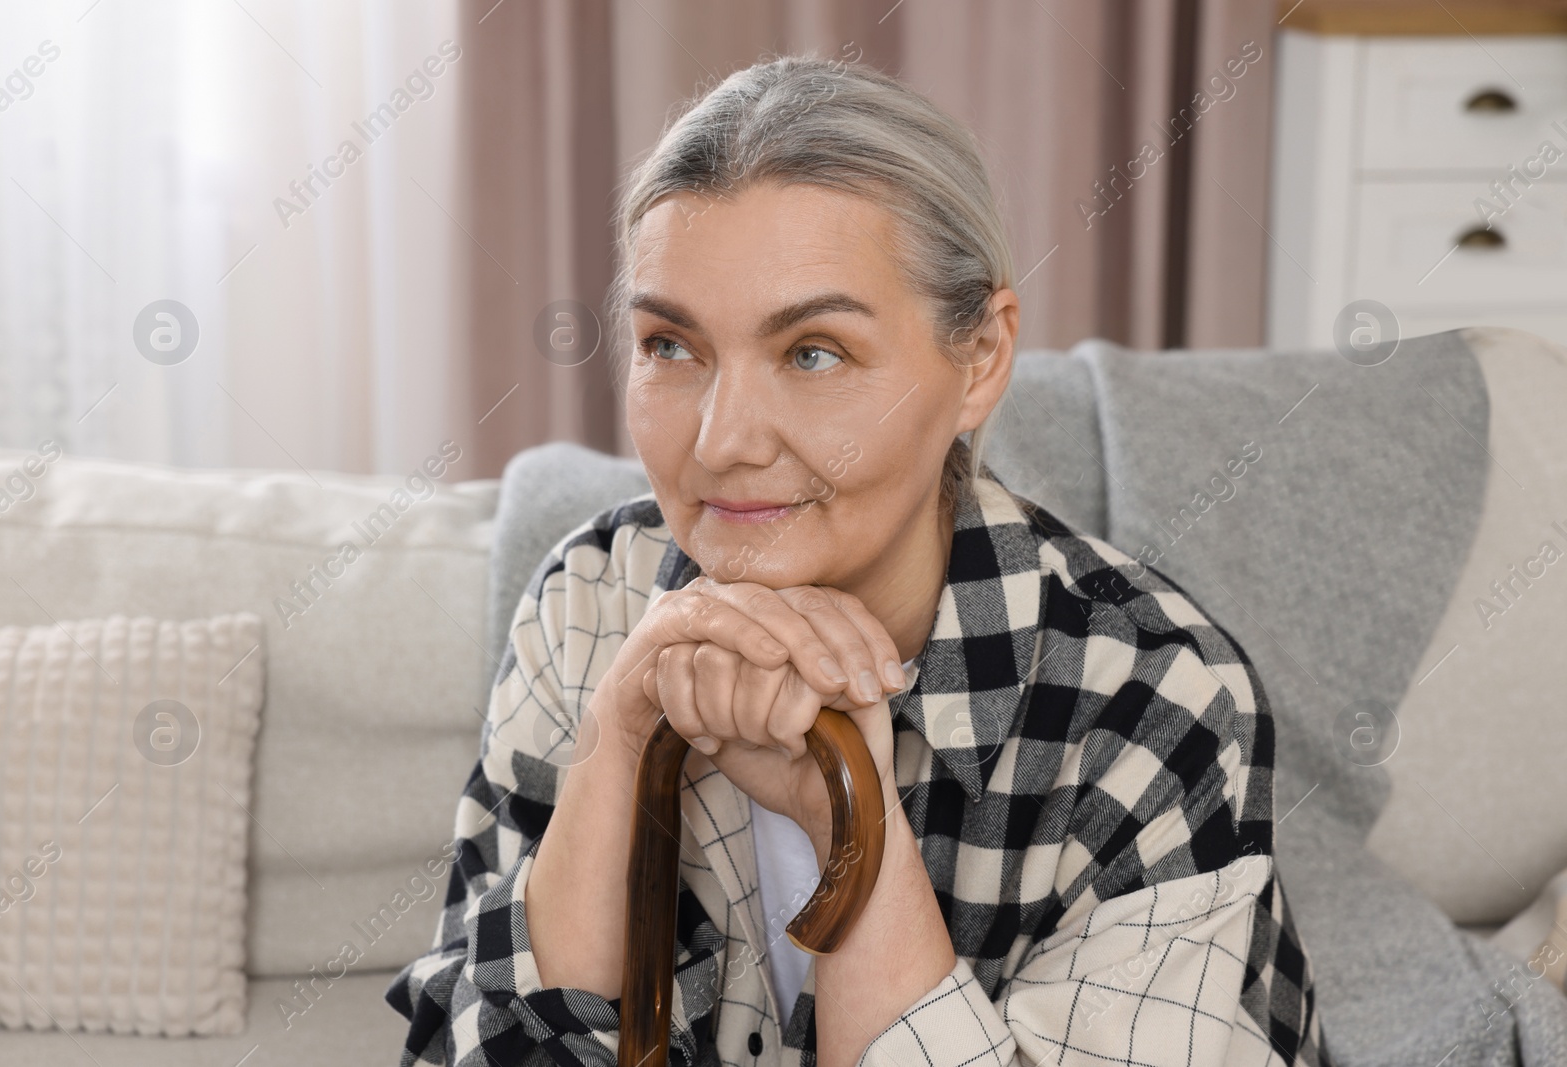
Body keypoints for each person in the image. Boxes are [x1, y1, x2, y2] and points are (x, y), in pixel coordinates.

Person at [387, 52, 1331, 1067]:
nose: (720, 441)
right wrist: (615, 746)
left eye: (813, 353)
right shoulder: (588, 604)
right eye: (670, 344)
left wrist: (850, 814)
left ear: (978, 362)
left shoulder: (1155, 696)